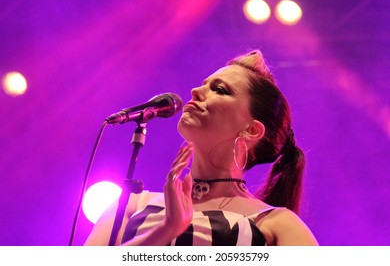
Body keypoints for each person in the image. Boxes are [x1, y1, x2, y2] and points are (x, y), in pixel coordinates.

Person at [84, 50, 318, 246]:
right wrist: (166, 230)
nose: (196, 91)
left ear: (252, 130)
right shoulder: (130, 205)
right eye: (204, 84)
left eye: (220, 89)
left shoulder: (276, 224)